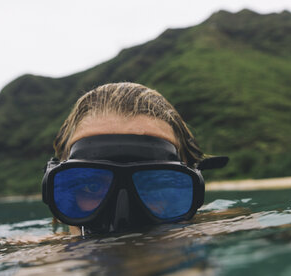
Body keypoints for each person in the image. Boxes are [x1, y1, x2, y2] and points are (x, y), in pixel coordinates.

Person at [42, 82, 228, 234]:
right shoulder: (35, 265)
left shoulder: (230, 228)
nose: (122, 221)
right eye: (92, 186)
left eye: (156, 184)